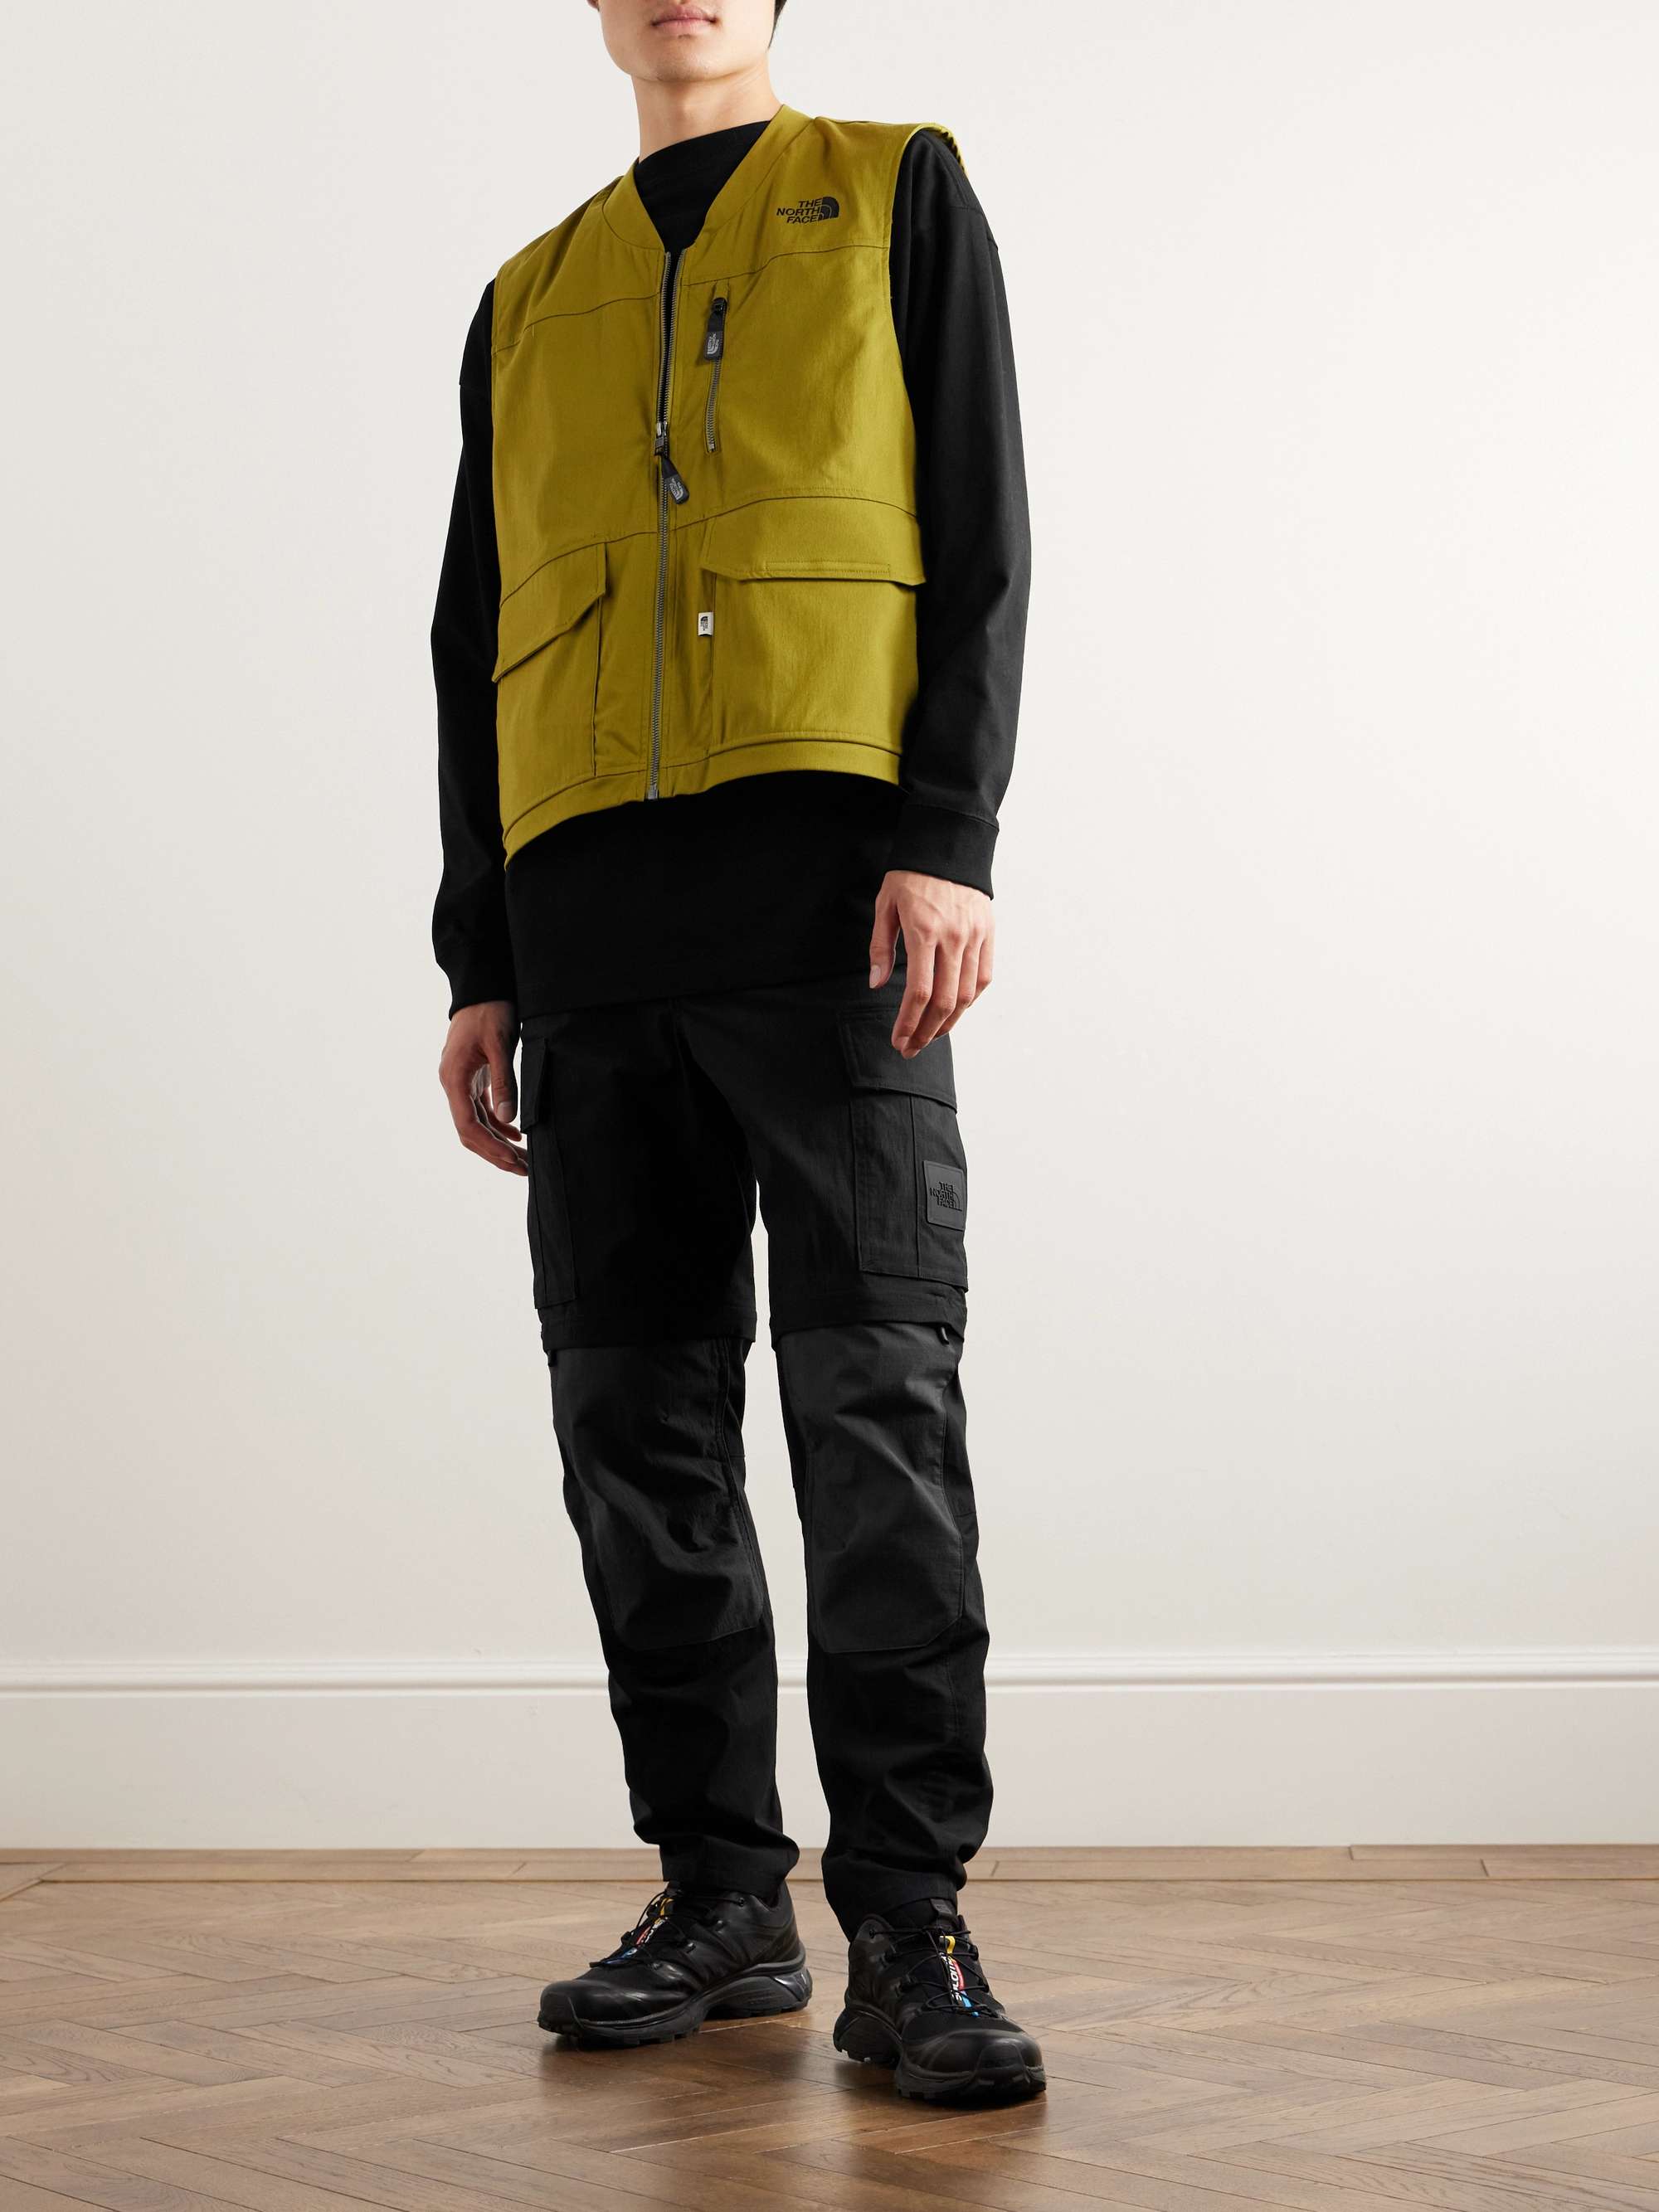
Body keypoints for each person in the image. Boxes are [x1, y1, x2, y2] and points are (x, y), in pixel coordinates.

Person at [431, 0, 1037, 2105]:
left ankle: (910, 1922)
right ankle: (718, 1894)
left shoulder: (897, 190)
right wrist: (480, 955)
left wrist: (948, 837)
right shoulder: (528, 294)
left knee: (876, 1416)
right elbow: (470, 635)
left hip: (829, 907)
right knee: (637, 1426)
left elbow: (978, 526)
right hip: (590, 933)